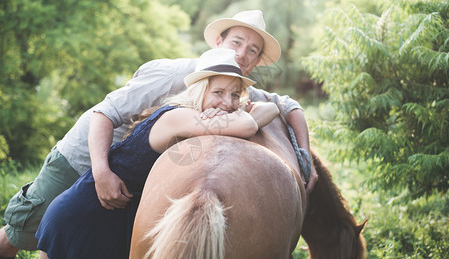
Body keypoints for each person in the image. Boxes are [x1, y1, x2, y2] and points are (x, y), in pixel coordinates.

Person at [0, 10, 316, 258]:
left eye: (253, 50)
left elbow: (284, 104)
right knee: (17, 235)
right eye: (237, 42)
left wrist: (304, 159)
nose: (243, 54)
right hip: (84, 161)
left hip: (125, 196)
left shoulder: (229, 91)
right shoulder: (175, 82)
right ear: (218, 42)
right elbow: (103, 113)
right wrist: (101, 172)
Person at [35, 48, 281, 259]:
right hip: (87, 210)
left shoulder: (199, 117)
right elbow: (248, 125)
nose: (227, 102)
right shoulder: (178, 116)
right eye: (218, 92)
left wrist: (239, 114)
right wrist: (242, 116)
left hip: (120, 214)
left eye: (235, 95)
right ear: (200, 91)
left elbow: (270, 107)